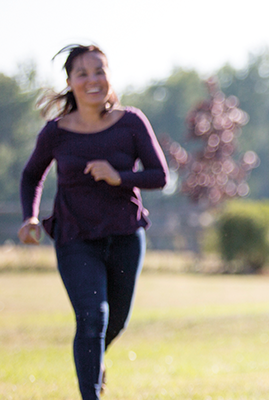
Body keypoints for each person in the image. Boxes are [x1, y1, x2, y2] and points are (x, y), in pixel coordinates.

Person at [18, 44, 168, 400]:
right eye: (82, 73)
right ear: (70, 82)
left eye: (98, 71)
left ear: (109, 76)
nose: (92, 80)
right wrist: (31, 217)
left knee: (115, 322)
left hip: (125, 238)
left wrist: (119, 177)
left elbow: (159, 175)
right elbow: (31, 177)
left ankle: (94, 364)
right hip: (75, 238)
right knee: (92, 317)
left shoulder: (130, 122)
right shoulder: (56, 132)